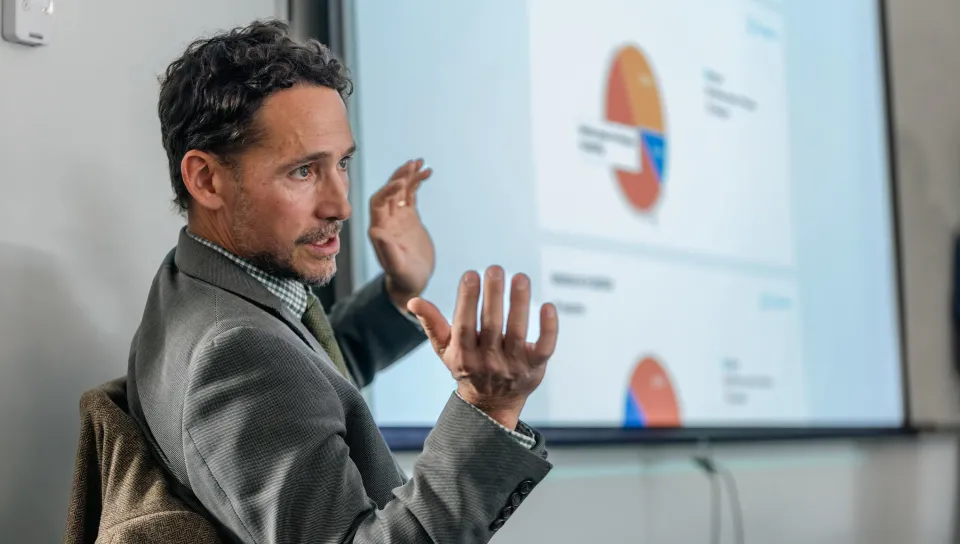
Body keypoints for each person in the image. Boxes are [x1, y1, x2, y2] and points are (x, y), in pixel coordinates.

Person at [126, 19, 559, 544]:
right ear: (206, 179)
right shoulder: (235, 352)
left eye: (342, 164)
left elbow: (301, 387)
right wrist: (489, 408)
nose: (341, 205)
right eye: (304, 171)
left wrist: (401, 288)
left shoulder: (192, 284)